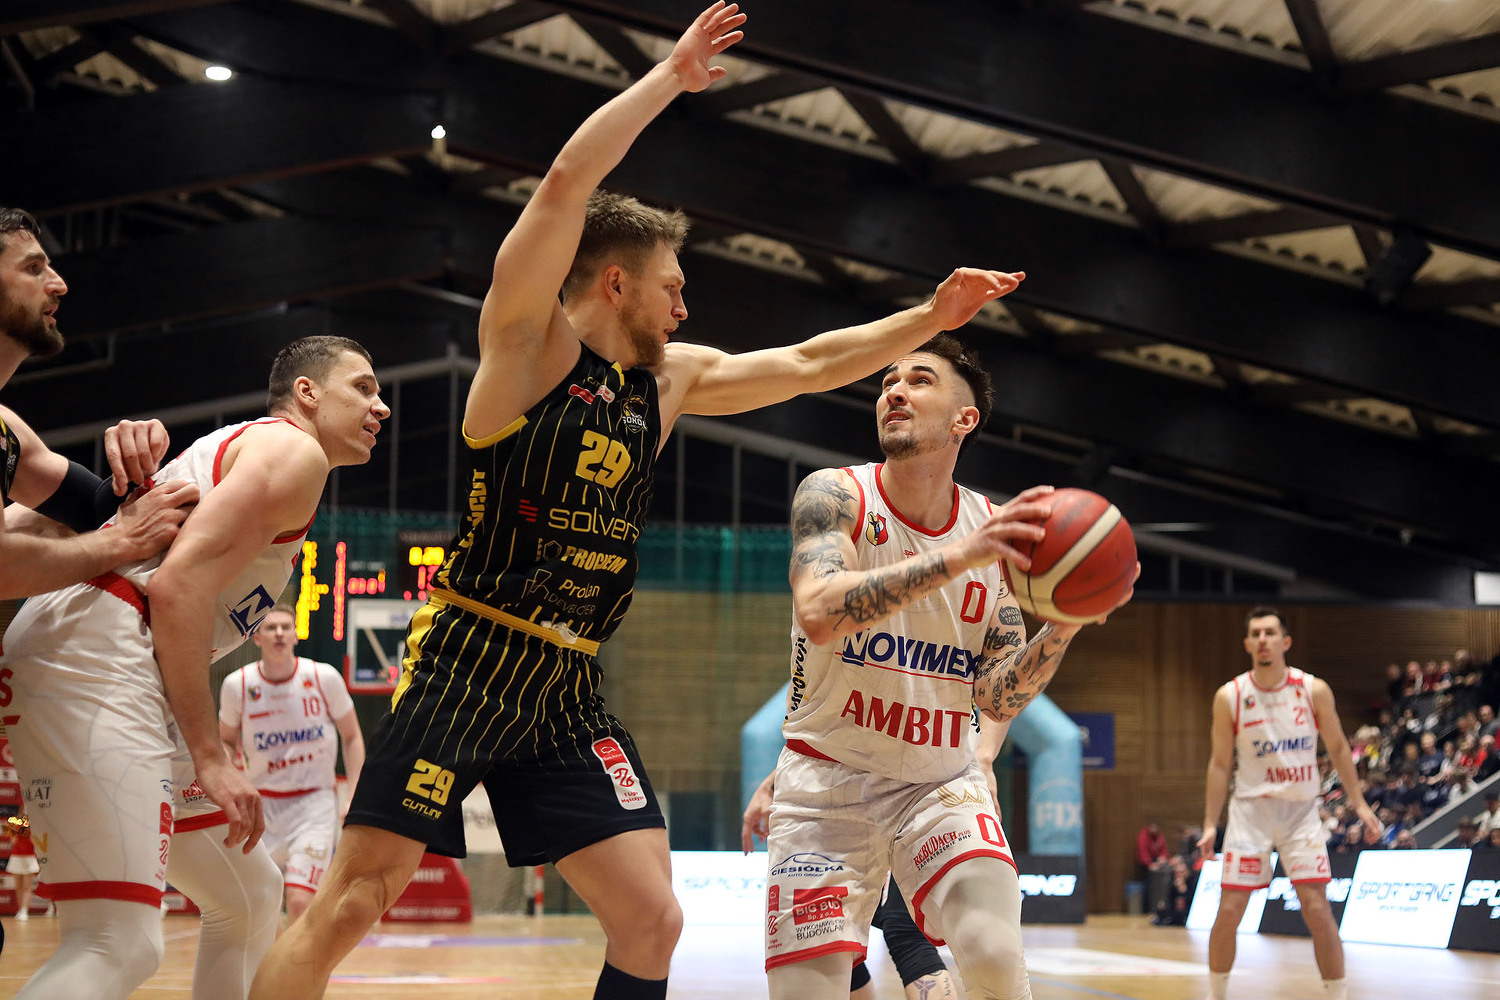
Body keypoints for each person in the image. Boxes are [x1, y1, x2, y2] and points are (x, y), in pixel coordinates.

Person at [248, 7, 1030, 1000]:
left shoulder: (665, 384)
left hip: (566, 684)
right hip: (468, 659)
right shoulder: (527, 350)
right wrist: (669, 77)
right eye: (674, 288)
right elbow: (565, 183)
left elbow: (803, 363)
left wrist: (928, 316)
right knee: (356, 900)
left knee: (653, 918)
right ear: (616, 283)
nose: (686, 307)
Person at [2, 336, 389, 1000]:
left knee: (249, 894)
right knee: (117, 942)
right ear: (306, 393)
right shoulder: (294, 453)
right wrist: (211, 757)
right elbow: (177, 588)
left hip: (118, 658)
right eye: (363, 388)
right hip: (97, 655)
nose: (380, 407)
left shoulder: (254, 451)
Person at [762, 336, 1133, 1000]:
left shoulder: (989, 528)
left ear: (965, 419)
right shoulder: (835, 494)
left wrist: (1066, 623)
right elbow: (819, 611)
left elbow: (996, 695)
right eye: (888, 382)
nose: (894, 391)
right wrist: (961, 557)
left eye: (920, 380)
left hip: (938, 781)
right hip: (826, 784)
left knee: (993, 949)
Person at [741, 706, 1006, 1000]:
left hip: (926, 788)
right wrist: (772, 784)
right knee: (833, 935)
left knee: (905, 929)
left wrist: (984, 756)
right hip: (852, 792)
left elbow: (1004, 687)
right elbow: (830, 722)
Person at [0, 206, 199, 595]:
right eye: (33, 268)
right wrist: (122, 540)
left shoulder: (8, 430)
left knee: (47, 522)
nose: (59, 284)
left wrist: (136, 466)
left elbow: (91, 510)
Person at [1198, 607, 1381, 1000]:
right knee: (1230, 909)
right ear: (1247, 644)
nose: (1263, 640)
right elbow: (1219, 763)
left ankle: (1337, 996)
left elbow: (1338, 747)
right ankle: (1216, 995)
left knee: (1317, 908)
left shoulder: (1313, 690)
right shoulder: (1230, 695)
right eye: (1255, 634)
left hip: (1300, 812)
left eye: (1269, 632)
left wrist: (1359, 802)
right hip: (1251, 813)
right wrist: (1211, 823)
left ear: (1286, 641)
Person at [219, 604, 366, 922]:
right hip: (262, 805)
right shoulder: (237, 685)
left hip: (314, 803)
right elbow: (225, 741)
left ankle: (299, 956)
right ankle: (277, 956)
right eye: (270, 628)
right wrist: (233, 778)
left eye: (286, 627)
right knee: (262, 904)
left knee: (299, 901)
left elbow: (352, 736)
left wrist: (354, 793)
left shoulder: (323, 677)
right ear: (257, 638)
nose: (279, 634)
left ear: (296, 635)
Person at [6, 812, 40, 921]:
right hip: (16, 857)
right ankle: (20, 910)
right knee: (18, 886)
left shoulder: (36, 824)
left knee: (27, 886)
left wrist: (30, 831)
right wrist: (17, 830)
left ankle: (25, 910)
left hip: (29, 858)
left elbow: (37, 843)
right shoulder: (15, 824)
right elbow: (13, 841)